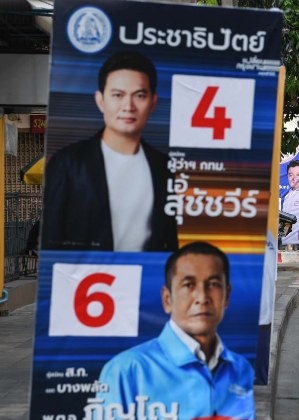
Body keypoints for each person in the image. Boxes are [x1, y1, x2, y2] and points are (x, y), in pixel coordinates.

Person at [96, 241, 255, 418]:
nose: (202, 298)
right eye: (188, 285)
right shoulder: (127, 369)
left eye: (213, 284)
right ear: (167, 299)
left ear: (227, 296)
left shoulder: (241, 369)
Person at [42, 51, 178, 252]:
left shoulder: (163, 167)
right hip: (88, 280)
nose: (128, 106)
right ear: (100, 101)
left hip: (146, 278)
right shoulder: (68, 163)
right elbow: (51, 238)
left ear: (153, 102)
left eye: (139, 95)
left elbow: (168, 239)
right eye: (118, 95)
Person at [281, 160, 299, 245]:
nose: (294, 178)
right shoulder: (287, 195)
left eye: (298, 175)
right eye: (291, 175)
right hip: (286, 242)